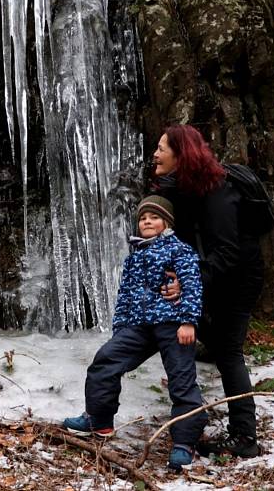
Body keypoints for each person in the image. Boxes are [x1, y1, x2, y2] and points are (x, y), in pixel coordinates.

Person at [63, 195, 206, 471]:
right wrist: (119, 329)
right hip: (138, 326)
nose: (147, 222)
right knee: (105, 359)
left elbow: (191, 284)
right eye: (143, 218)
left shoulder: (179, 250)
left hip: (173, 323)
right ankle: (99, 420)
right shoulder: (134, 257)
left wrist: (189, 321)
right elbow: (125, 297)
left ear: (166, 223)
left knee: (181, 381)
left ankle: (184, 443)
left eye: (153, 217)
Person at [151, 124, 264, 458]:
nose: (155, 154)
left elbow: (227, 253)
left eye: (161, 148)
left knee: (229, 351)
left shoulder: (218, 192)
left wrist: (185, 280)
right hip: (215, 274)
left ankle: (245, 437)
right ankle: (213, 346)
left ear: (180, 155)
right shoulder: (184, 188)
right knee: (216, 341)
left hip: (240, 276)